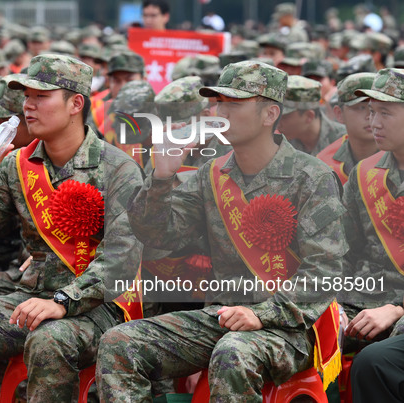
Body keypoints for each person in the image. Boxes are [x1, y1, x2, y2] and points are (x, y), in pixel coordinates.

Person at [95, 60, 347, 401]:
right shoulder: (212, 174)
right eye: (217, 103)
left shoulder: (311, 177)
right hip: (223, 316)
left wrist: (261, 314)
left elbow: (325, 271)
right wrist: (161, 178)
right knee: (119, 342)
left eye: (234, 104)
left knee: (233, 353)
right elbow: (158, 236)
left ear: (270, 114)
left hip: (293, 325)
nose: (220, 113)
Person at [0, 54, 143, 402]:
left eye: (40, 97)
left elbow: (122, 258)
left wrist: (64, 300)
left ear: (76, 103)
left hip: (100, 308)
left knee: (50, 338)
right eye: (26, 97)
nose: (27, 107)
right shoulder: (17, 165)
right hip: (30, 300)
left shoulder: (119, 169)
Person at [339, 68, 404, 354]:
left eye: (385, 114)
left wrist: (397, 309)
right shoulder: (364, 174)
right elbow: (342, 251)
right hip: (362, 300)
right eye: (371, 112)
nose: (373, 123)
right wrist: (331, 304)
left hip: (398, 313)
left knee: (384, 355)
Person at [318, 72, 378, 184]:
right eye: (360, 107)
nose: (370, 116)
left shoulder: (399, 158)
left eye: (378, 108)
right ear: (339, 114)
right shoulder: (323, 164)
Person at [277, 75, 345, 155]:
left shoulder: (344, 141)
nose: (277, 123)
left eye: (284, 117)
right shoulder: (282, 143)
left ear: (309, 116)